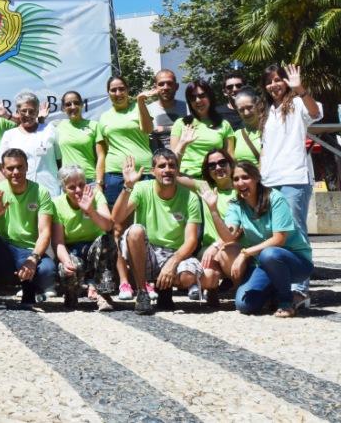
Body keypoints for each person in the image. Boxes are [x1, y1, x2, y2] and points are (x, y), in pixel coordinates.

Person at [199, 160, 314, 317]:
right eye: (236, 179)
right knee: (244, 305)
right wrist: (213, 210)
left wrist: (245, 253)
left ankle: (286, 302)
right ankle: (274, 291)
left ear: (256, 178)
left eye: (245, 177)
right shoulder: (236, 205)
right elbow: (229, 237)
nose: (240, 182)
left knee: (270, 253)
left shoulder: (275, 198)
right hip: (264, 263)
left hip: (297, 262)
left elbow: (279, 239)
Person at [259, 63, 322, 308]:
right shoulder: (267, 111)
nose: (274, 85)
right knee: (275, 234)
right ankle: (280, 288)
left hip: (294, 179)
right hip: (269, 181)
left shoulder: (297, 103)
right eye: (269, 81)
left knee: (296, 232)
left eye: (278, 80)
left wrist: (300, 89)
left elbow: (315, 112)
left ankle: (300, 290)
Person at [113, 150, 205, 315]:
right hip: (147, 252)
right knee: (135, 231)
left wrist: (172, 263)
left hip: (174, 253)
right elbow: (117, 217)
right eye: (162, 166)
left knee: (188, 276)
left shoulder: (190, 197)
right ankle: (142, 293)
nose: (167, 170)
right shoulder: (141, 188)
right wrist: (127, 187)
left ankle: (164, 291)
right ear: (152, 171)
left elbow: (191, 240)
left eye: (172, 166)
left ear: (177, 170)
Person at [0, 148, 56, 311]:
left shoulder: (41, 192)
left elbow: (45, 232)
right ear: (3, 170)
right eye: (10, 168)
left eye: (20, 167)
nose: (16, 172)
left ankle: (29, 288)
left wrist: (33, 259)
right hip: (4, 251)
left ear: (27, 167)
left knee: (48, 271)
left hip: (28, 251)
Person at [96, 77, 154, 296]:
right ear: (108, 93)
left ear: (128, 90)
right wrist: (99, 182)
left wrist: (140, 103)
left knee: (143, 227)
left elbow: (148, 129)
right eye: (113, 90)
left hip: (145, 173)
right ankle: (124, 282)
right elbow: (101, 154)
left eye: (122, 89)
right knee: (117, 228)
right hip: (115, 175)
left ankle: (144, 281)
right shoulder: (104, 118)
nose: (118, 93)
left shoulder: (139, 107)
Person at [51, 165, 115, 311]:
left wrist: (91, 211)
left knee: (107, 241)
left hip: (96, 248)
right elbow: (58, 242)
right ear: (64, 189)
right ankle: (71, 293)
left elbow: (108, 226)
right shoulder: (57, 204)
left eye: (81, 184)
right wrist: (66, 261)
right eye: (72, 187)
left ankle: (104, 293)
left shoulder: (96, 195)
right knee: (68, 266)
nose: (78, 190)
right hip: (72, 249)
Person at [187, 150, 238, 305]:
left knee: (223, 253)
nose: (218, 167)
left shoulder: (240, 188)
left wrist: (217, 245)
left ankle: (239, 287)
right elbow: (174, 175)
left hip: (234, 248)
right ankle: (212, 288)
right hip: (208, 250)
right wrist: (181, 146)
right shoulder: (205, 188)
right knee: (208, 269)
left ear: (230, 164)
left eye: (222, 163)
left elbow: (237, 231)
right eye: (212, 165)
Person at [0, 92, 59, 197]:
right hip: (20, 194)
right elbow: (1, 168)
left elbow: (59, 160)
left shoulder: (50, 130)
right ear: (17, 112)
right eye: (24, 111)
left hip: (50, 192)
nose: (27, 114)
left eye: (32, 111)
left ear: (37, 112)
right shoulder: (9, 135)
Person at [170, 80, 235, 178]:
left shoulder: (224, 124)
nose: (197, 100)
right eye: (193, 97)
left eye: (202, 96)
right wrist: (182, 143)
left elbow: (230, 158)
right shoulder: (181, 123)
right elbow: (172, 159)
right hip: (186, 179)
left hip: (215, 179)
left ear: (210, 97)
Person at [57, 90, 101, 186]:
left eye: (76, 103)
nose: (73, 107)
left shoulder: (94, 126)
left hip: (89, 180)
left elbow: (101, 156)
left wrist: (99, 182)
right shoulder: (58, 127)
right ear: (63, 108)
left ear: (82, 105)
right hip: (67, 181)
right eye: (68, 104)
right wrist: (41, 119)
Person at [147, 69, 187, 151]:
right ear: (155, 87)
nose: (165, 87)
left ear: (176, 86)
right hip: (156, 158)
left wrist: (162, 129)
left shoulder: (187, 108)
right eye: (161, 84)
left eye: (169, 83)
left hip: (185, 158)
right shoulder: (147, 110)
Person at [232, 88, 264, 166]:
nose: (246, 113)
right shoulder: (236, 135)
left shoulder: (270, 130)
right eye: (241, 110)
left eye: (249, 107)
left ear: (258, 106)